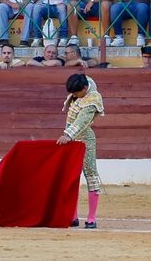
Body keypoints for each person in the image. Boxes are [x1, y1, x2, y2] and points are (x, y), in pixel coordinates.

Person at [56, 71, 104, 229]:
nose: (75, 96)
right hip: (70, 137)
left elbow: (82, 121)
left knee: (90, 174)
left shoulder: (93, 99)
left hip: (85, 139)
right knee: (71, 176)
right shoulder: (83, 85)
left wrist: (68, 135)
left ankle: (91, 218)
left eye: (77, 93)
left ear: (84, 88)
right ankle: (73, 216)